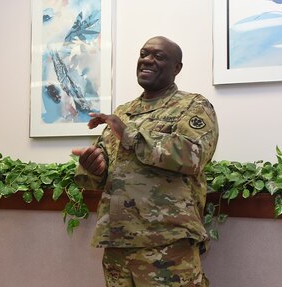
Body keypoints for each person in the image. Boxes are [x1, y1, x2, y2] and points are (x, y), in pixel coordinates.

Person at [72, 36, 219, 287]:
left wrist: (128, 134)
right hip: (118, 242)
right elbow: (101, 171)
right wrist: (92, 167)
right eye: (143, 54)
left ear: (177, 68)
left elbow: (193, 155)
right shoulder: (123, 112)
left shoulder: (193, 106)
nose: (147, 60)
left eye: (159, 56)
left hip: (167, 242)